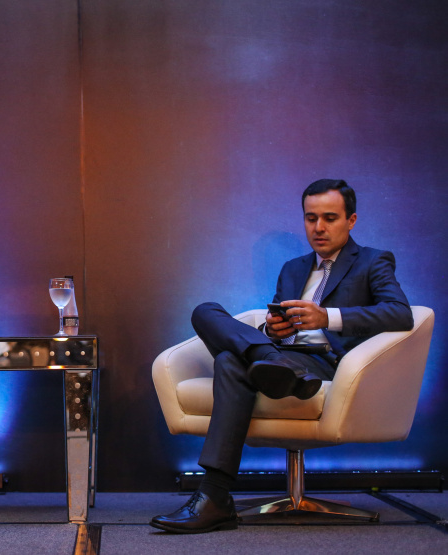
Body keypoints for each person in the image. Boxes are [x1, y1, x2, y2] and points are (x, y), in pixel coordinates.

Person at [150, 179, 413, 534]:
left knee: (229, 361)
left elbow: (400, 313)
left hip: (325, 364)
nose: (318, 227)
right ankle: (274, 361)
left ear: (351, 220)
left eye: (330, 218)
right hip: (282, 357)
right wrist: (272, 331)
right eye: (311, 218)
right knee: (205, 311)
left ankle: (214, 496)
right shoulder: (293, 267)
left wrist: (327, 318)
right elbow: (277, 321)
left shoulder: (372, 261)